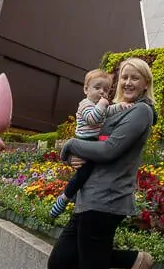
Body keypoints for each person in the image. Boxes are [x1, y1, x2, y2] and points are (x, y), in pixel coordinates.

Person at [37, 57, 156, 269]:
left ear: (146, 84)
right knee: (59, 263)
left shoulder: (141, 113)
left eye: (137, 78)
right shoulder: (115, 109)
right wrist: (78, 149)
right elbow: (93, 137)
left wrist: (69, 147)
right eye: (125, 77)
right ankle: (134, 260)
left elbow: (106, 150)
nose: (129, 81)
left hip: (106, 203)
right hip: (88, 200)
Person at [49, 69, 131, 219]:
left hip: (92, 143)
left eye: (105, 90)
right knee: (84, 172)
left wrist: (121, 106)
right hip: (84, 142)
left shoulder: (100, 105)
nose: (101, 92)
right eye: (97, 88)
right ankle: (65, 196)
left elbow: (110, 111)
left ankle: (73, 195)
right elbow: (92, 119)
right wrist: (103, 103)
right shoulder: (85, 104)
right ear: (86, 89)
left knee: (89, 172)